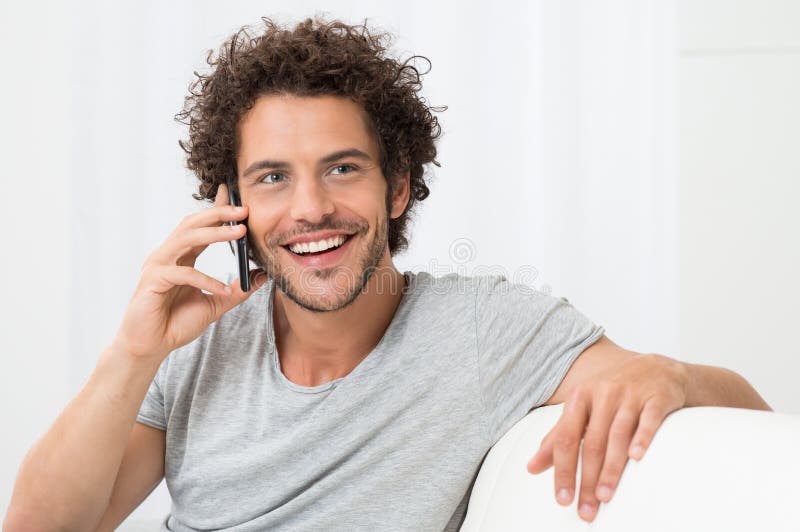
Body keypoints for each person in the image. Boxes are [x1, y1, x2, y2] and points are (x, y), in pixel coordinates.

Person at [4, 16, 771, 532]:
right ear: (232, 203)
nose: (310, 208)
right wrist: (132, 353)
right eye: (272, 177)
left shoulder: (481, 331)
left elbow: (751, 419)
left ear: (396, 186)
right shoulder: (197, 348)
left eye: (341, 168)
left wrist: (668, 375)